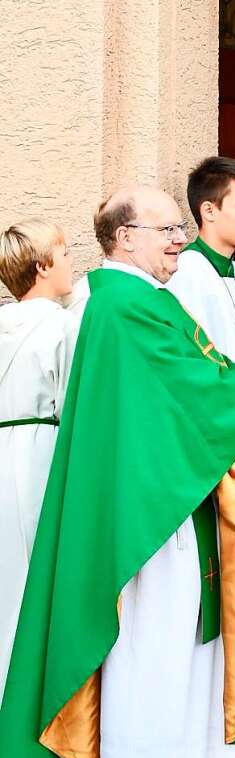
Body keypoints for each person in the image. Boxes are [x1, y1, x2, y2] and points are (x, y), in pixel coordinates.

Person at [0, 186, 235, 758]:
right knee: (155, 637)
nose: (180, 238)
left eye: (180, 228)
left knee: (176, 635)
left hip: (163, 492)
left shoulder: (137, 299)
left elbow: (189, 384)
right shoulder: (122, 305)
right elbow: (188, 393)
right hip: (148, 510)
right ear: (126, 238)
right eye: (167, 230)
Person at [0, 220, 76, 703]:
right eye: (65, 254)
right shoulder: (63, 324)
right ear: (43, 265)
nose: (72, 264)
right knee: (37, 576)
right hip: (41, 451)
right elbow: (74, 402)